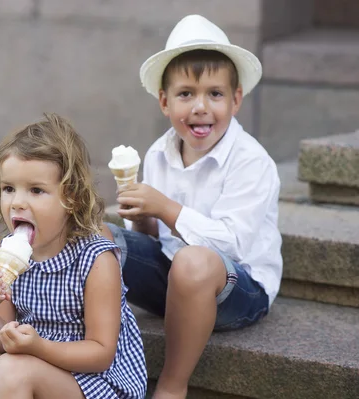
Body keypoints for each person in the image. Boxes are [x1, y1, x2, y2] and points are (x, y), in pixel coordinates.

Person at [102, 14, 283, 399]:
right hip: (173, 275)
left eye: (214, 94)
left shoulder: (252, 161)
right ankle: (81, 348)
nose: (200, 107)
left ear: (236, 100)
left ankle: (172, 384)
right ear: (165, 102)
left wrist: (165, 207)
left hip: (239, 291)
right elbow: (154, 241)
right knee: (96, 236)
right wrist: (146, 218)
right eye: (186, 94)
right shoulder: (158, 153)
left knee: (194, 261)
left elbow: (230, 245)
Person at [0, 113, 147, 399]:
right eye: (9, 189)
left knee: (12, 370)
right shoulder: (3, 254)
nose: (18, 202)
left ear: (71, 198)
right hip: (27, 368)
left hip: (96, 383)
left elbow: (100, 353)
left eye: (36, 190)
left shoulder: (96, 260)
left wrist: (38, 348)